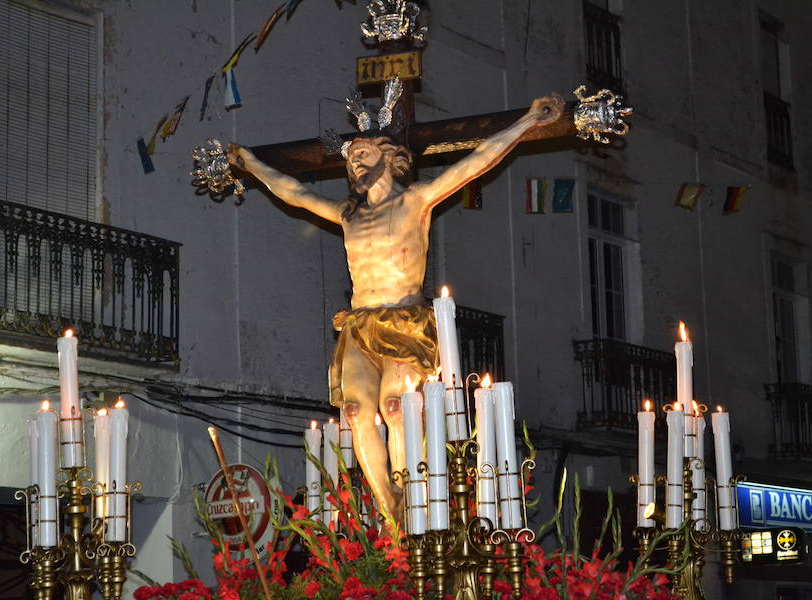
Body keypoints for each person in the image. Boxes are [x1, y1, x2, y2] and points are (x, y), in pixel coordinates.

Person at [226, 94, 565, 522]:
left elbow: (476, 161)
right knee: (353, 412)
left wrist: (527, 121)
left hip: (405, 320)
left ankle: (413, 500)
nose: (355, 166)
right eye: (350, 162)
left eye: (363, 154)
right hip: (358, 324)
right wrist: (251, 164)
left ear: (389, 157)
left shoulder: (415, 201)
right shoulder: (348, 214)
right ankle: (390, 511)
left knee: (394, 408)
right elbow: (294, 192)